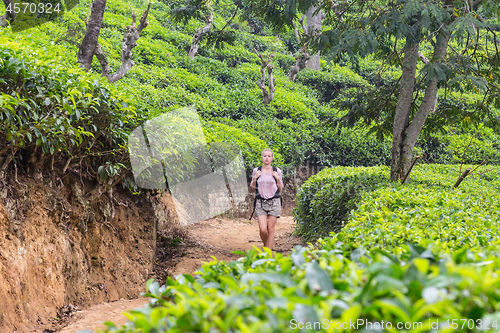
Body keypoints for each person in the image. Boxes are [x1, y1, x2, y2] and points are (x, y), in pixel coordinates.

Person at [250, 148, 283, 250]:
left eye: (269, 156)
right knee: (263, 229)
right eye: (265, 156)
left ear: (272, 158)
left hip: (274, 202)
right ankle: (267, 247)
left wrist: (277, 178)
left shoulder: (277, 171)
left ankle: (268, 254)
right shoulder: (257, 170)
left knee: (270, 229)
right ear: (262, 158)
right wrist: (255, 178)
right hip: (260, 203)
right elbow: (252, 187)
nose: (267, 158)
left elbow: (280, 188)